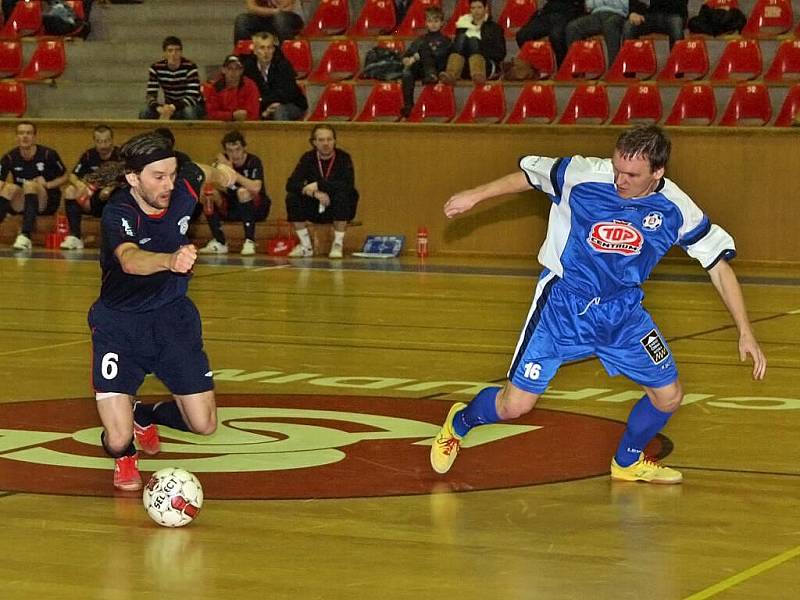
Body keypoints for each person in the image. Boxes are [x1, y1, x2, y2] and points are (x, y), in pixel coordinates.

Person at [430, 125, 767, 483]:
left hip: (623, 313)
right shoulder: (583, 174)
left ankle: (626, 461)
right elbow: (528, 175)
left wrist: (745, 331)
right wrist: (475, 195)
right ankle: (460, 422)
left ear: (658, 172)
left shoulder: (676, 209)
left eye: (632, 175)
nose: (620, 179)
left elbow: (718, 267)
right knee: (514, 406)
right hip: (562, 306)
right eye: (617, 167)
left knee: (668, 396)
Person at [88, 130, 239, 491]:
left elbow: (202, 171)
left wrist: (222, 171)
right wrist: (170, 260)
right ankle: (125, 454)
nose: (169, 184)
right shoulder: (119, 212)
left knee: (204, 424)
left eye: (172, 173)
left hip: (172, 319)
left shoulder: (182, 189)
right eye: (158, 177)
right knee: (118, 437)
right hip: (120, 325)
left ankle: (146, 412)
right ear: (132, 179)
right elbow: (129, 259)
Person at [286, 125, 358, 259]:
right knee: (292, 198)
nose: (326, 143)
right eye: (321, 140)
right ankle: (305, 245)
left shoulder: (343, 157)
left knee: (344, 195)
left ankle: (337, 244)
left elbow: (347, 184)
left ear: (334, 141)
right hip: (314, 206)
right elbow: (291, 184)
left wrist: (319, 185)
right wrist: (314, 193)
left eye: (329, 139)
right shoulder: (308, 158)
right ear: (314, 142)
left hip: (336, 207)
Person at [198, 130, 270, 256]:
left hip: (255, 208)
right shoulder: (222, 163)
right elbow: (213, 184)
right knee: (209, 193)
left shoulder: (253, 161)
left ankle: (249, 241)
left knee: (243, 192)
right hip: (232, 205)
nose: (234, 154)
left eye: (238, 149)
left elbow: (256, 187)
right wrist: (219, 169)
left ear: (244, 148)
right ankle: (220, 241)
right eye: (230, 151)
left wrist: (233, 173)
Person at [0, 121, 68, 251]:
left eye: (28, 133)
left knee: (30, 185)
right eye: (21, 133)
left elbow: (65, 176)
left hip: (46, 201)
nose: (25, 137)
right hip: (24, 201)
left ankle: (25, 236)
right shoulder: (10, 157)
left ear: (35, 137)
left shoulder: (48, 154)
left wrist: (48, 184)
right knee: (8, 187)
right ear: (16, 137)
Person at [60, 124, 121, 250]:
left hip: (113, 197)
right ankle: (75, 237)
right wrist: (79, 184)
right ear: (95, 141)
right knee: (70, 190)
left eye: (106, 141)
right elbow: (72, 176)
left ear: (112, 140)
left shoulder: (120, 155)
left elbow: (128, 178)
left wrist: (110, 188)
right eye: (99, 141)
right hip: (92, 200)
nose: (103, 145)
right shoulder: (89, 155)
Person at [241, 31, 307, 121]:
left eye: (269, 48)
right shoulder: (248, 67)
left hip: (290, 104)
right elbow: (247, 94)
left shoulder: (283, 65)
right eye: (262, 48)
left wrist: (262, 101)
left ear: (273, 49)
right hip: (261, 106)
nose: (266, 52)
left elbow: (287, 94)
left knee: (279, 111)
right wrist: (264, 110)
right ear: (255, 51)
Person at [400, 6, 452, 119]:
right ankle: (409, 106)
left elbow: (440, 56)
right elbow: (407, 55)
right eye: (430, 21)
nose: (433, 24)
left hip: (438, 68)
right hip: (423, 70)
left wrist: (417, 57)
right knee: (407, 72)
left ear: (442, 23)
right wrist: (407, 60)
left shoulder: (446, 40)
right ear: (425, 23)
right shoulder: (420, 39)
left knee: (424, 48)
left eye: (436, 21)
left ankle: (431, 74)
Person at [439, 0, 506, 85]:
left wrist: (481, 48)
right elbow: (457, 49)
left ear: (486, 9)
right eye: (473, 8)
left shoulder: (495, 28)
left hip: (486, 65)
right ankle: (451, 74)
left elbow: (501, 53)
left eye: (479, 7)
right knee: (462, 37)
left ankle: (478, 74)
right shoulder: (462, 27)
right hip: (465, 66)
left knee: (473, 40)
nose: (476, 11)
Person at [140, 36, 205, 121]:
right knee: (145, 111)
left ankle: (192, 134)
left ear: (181, 53)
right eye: (170, 51)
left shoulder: (190, 67)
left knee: (188, 111)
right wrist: (158, 107)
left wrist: (172, 107)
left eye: (177, 50)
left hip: (191, 105)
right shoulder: (156, 68)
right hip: (169, 105)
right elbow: (150, 95)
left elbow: (192, 96)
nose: (173, 54)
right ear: (164, 53)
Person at [514, 0, 585, 66]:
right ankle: (537, 67)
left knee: (556, 36)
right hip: (548, 12)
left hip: (569, 12)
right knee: (522, 35)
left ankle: (563, 68)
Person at [565, 0, 628, 66]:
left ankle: (614, 68)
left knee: (610, 25)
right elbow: (589, 5)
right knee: (573, 27)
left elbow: (625, 5)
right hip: (596, 14)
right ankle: (577, 68)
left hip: (617, 14)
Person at [204, 54, 261, 122]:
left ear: (241, 71)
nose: (233, 72)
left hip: (246, 126)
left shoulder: (250, 86)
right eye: (230, 68)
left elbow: (254, 113)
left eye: (237, 68)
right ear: (223, 70)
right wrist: (232, 115)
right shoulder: (216, 87)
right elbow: (211, 113)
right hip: (222, 127)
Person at [624, 0, 688, 49]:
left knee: (676, 26)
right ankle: (631, 63)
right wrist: (633, 12)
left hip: (673, 14)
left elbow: (680, 5)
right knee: (629, 26)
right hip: (647, 15)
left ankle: (677, 63)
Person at [233, 0, 304, 44]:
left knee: (280, 19)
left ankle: (286, 56)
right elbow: (251, 8)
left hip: (289, 17)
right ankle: (245, 59)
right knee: (242, 20)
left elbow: (284, 6)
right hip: (265, 16)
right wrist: (272, 11)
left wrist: (274, 11)